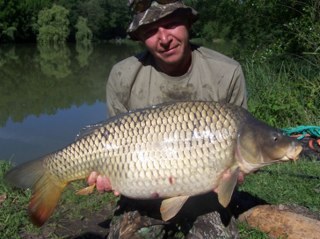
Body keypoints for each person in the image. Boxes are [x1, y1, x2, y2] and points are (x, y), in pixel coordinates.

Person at [88, 0, 247, 237]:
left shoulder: (227, 72)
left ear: (187, 24)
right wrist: (107, 173)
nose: (164, 39)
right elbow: (114, 146)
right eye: (151, 31)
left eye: (171, 24)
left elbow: (241, 149)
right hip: (141, 191)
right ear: (141, 37)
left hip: (206, 195)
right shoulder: (123, 75)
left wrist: (236, 174)